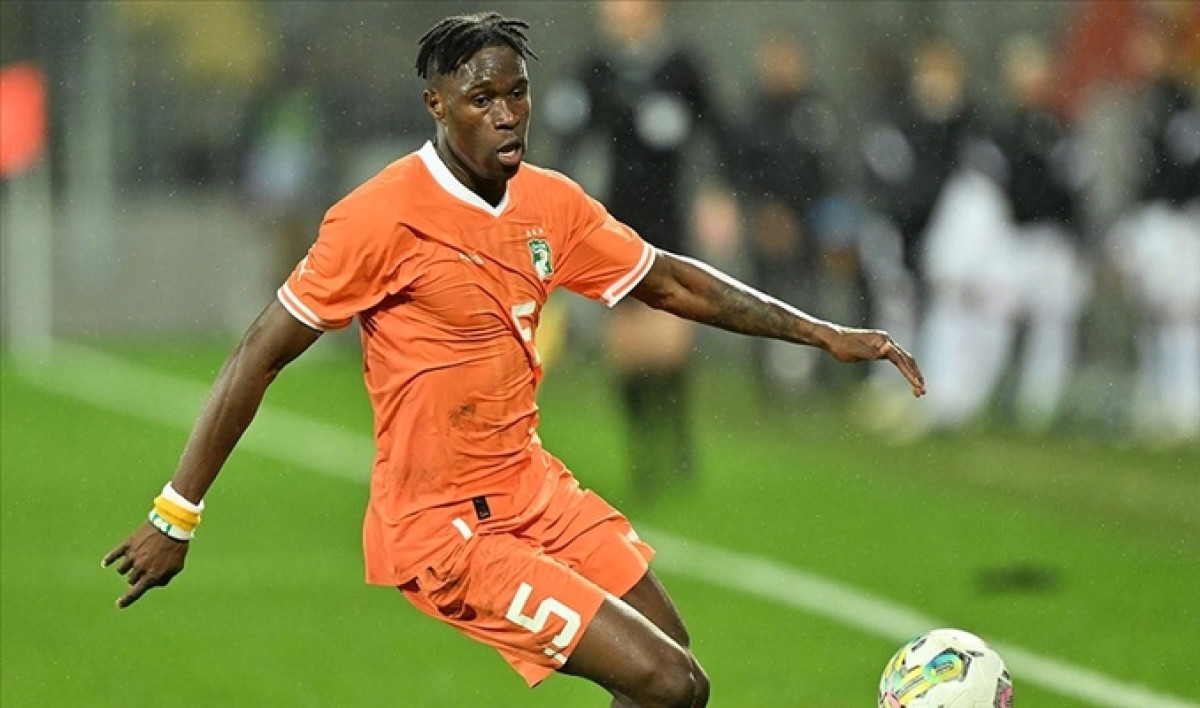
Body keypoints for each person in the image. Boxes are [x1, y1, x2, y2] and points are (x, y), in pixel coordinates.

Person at [101, 13, 925, 708]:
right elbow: (259, 354)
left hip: (533, 489)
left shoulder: (549, 203)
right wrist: (177, 513)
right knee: (671, 685)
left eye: (517, 93)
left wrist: (823, 332)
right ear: (437, 106)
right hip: (444, 529)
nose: (507, 116)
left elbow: (672, 282)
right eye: (482, 99)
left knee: (672, 668)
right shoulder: (379, 217)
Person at [544, 0, 735, 502]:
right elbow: (566, 140)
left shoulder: (682, 67)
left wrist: (718, 195)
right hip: (616, 221)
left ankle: (677, 441)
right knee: (627, 350)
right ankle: (644, 451)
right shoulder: (595, 69)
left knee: (669, 342)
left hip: (670, 220)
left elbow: (717, 134)